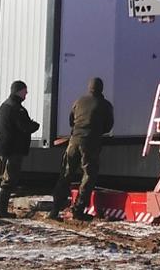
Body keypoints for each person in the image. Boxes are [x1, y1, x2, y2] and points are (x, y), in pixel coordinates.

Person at [48, 76, 113, 220]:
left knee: (66, 173)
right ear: (101, 89)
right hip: (90, 142)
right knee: (88, 175)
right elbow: (109, 126)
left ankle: (55, 209)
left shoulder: (79, 101)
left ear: (89, 87)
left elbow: (71, 120)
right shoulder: (105, 104)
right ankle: (78, 210)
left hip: (74, 140)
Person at [0, 80, 39, 218]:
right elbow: (25, 127)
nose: (26, 93)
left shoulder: (4, 106)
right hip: (13, 150)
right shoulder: (17, 109)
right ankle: (1, 211)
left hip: (1, 148)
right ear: (19, 91)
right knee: (8, 180)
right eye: (25, 90)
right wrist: (35, 125)